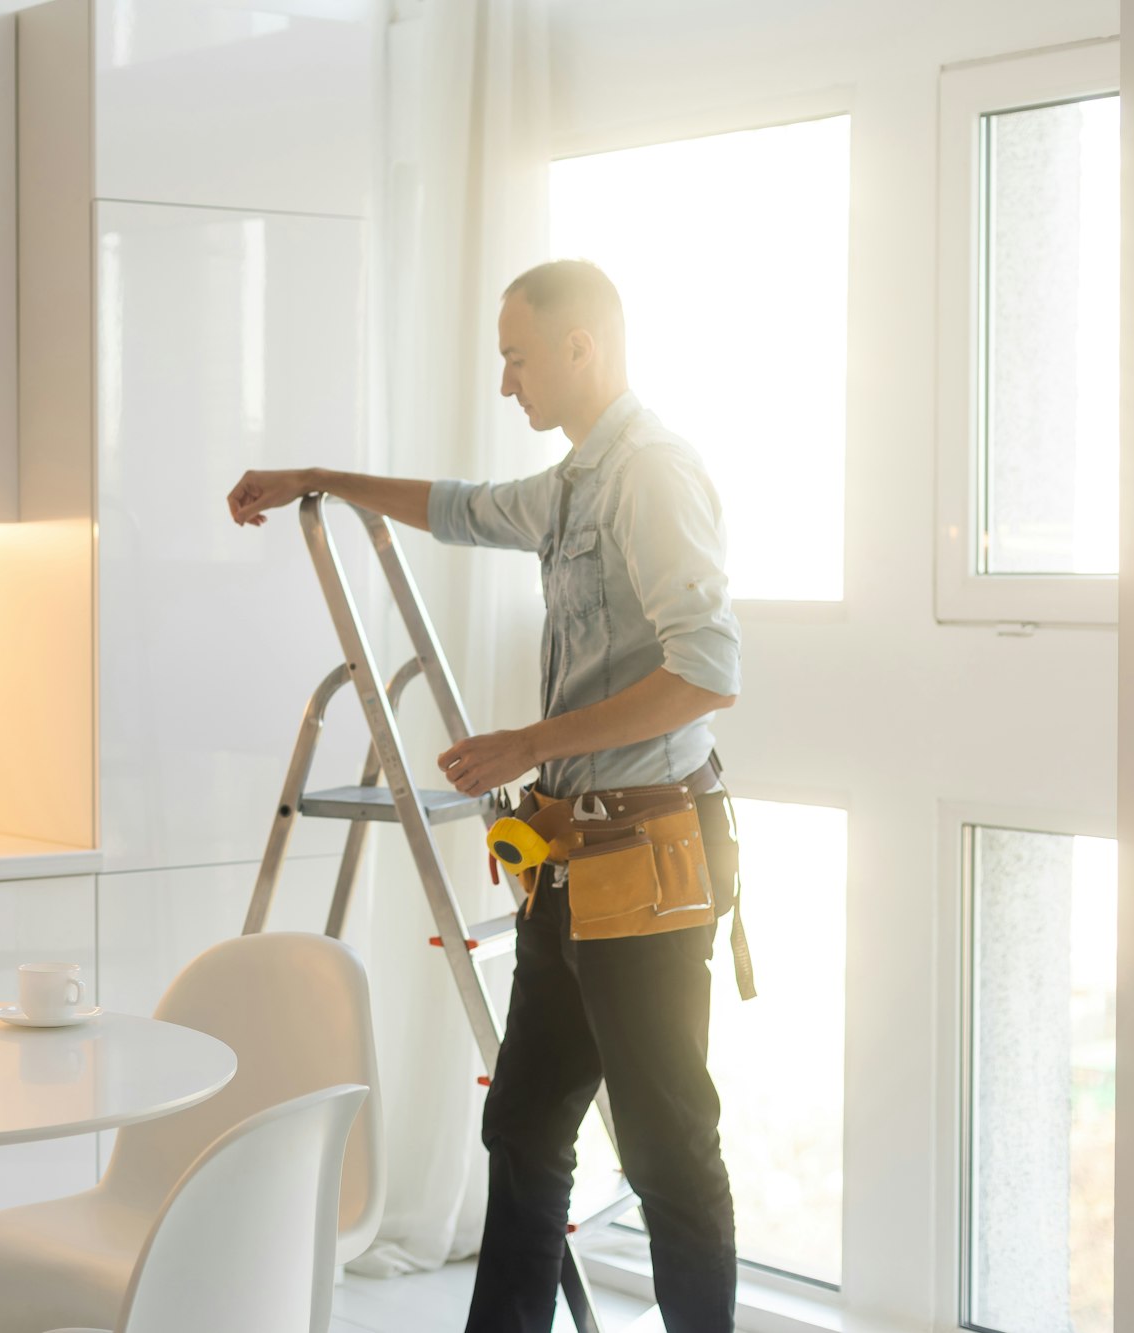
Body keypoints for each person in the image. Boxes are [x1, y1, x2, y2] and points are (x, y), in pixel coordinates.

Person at [224, 259, 744, 1332]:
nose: (504, 383)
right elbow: (456, 511)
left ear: (578, 348)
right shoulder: (571, 484)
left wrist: (528, 739)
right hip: (567, 863)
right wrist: (311, 477)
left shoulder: (651, 474)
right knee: (519, 1125)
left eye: (515, 357)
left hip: (645, 863)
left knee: (665, 1147)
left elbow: (706, 670)